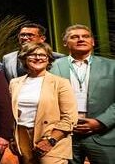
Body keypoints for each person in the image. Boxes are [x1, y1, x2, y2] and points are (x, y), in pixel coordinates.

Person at [49, 24, 115, 164]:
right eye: (74, 37)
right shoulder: (51, 67)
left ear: (92, 42)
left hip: (103, 133)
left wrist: (100, 122)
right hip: (65, 135)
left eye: (85, 36)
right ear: (65, 43)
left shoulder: (112, 66)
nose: (80, 39)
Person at [9, 42, 76, 164]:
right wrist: (13, 138)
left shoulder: (61, 83)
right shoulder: (15, 83)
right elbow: (12, 113)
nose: (38, 57)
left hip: (51, 136)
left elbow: (69, 118)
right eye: (32, 54)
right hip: (22, 135)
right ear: (24, 58)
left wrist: (51, 140)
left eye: (42, 55)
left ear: (48, 59)